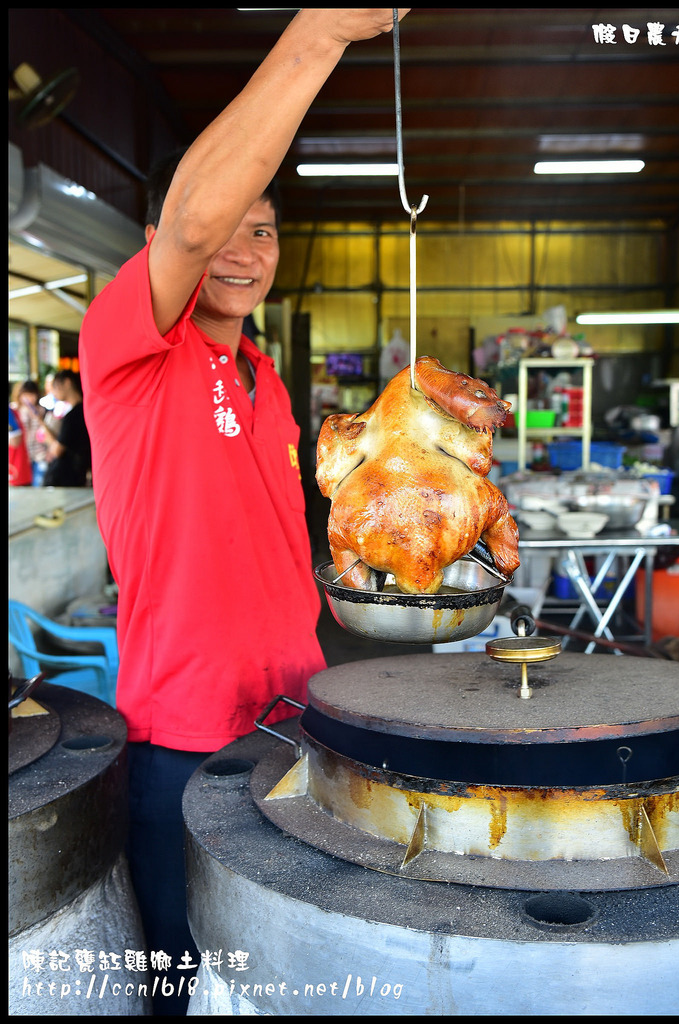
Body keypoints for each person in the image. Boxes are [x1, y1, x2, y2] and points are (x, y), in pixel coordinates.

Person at [78, 10, 410, 1015]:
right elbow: (191, 221)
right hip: (183, 745)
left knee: (276, 980)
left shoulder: (264, 379)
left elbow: (281, 556)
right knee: (189, 982)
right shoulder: (132, 351)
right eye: (227, 225)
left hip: (298, 728)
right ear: (160, 242)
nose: (240, 247)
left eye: (262, 228)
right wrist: (318, 35)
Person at [42, 369, 92, 487]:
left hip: (67, 477)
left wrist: (42, 424)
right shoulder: (86, 410)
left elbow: (57, 450)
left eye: (56, 386)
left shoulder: (73, 416)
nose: (54, 392)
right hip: (79, 474)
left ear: (67, 382)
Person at [10, 379, 52, 485]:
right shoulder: (14, 411)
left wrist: (38, 418)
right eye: (26, 395)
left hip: (39, 455)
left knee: (38, 485)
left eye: (32, 395)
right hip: (21, 458)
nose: (30, 398)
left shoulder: (42, 411)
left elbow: (45, 433)